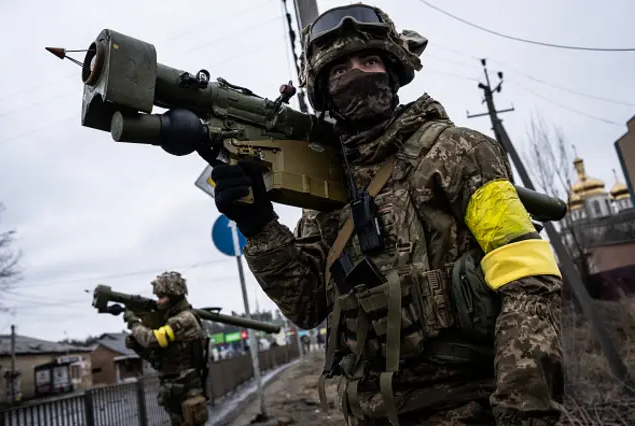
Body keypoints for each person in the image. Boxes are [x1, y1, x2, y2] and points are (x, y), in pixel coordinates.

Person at [210, 4, 564, 425]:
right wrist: (258, 225)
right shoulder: (327, 188)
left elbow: (526, 275)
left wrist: (523, 408)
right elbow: (306, 305)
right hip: (368, 413)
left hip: (467, 406)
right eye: (339, 69)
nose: (357, 73)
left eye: (370, 60)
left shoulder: (458, 152)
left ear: (393, 70)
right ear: (323, 90)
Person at [123, 271, 209, 426]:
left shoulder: (185, 319)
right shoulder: (171, 320)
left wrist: (134, 323)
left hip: (187, 389)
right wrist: (137, 346)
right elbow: (158, 358)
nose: (158, 302)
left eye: (162, 297)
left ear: (174, 297)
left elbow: (153, 339)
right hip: (174, 390)